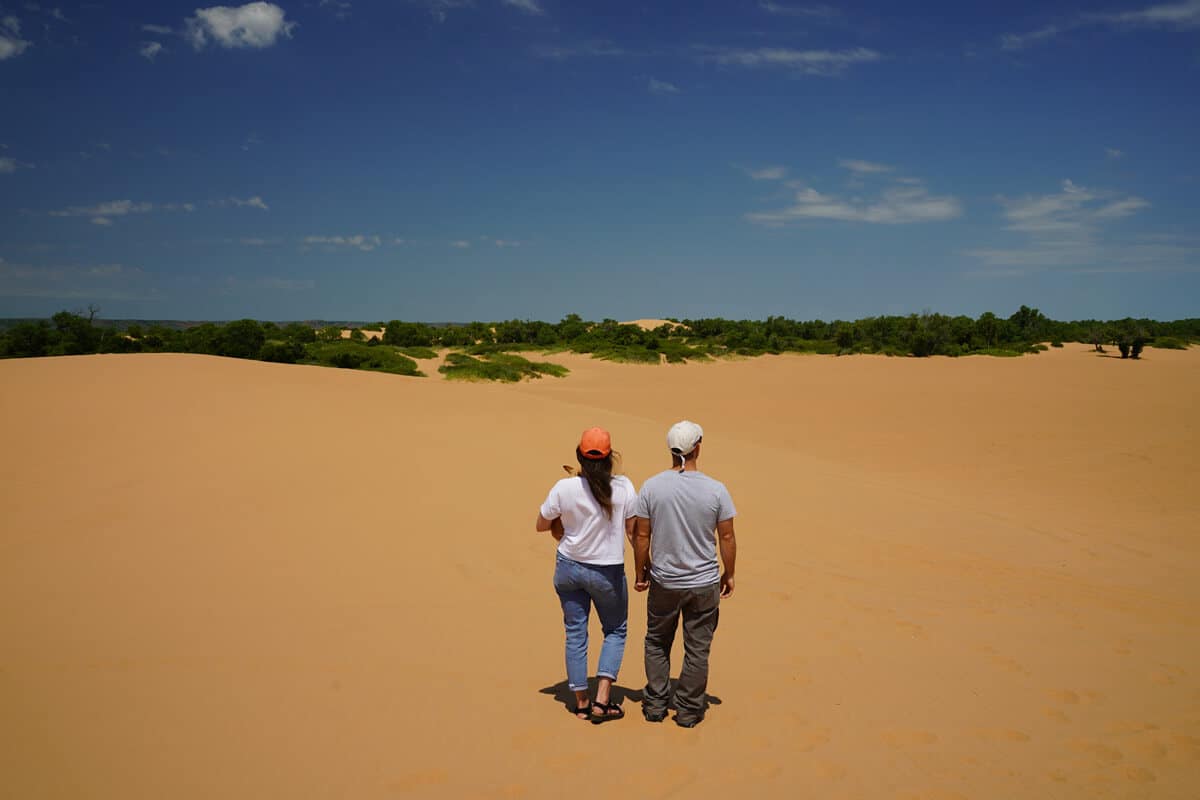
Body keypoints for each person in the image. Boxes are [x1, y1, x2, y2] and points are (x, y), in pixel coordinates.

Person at [632, 420, 737, 728]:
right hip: (703, 583)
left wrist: (641, 571)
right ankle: (689, 710)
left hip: (664, 581)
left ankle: (655, 704)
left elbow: (641, 535)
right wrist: (729, 573)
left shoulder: (652, 486)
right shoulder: (716, 489)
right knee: (697, 647)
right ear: (698, 447)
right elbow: (727, 537)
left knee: (657, 641)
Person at [536, 427, 638, 722]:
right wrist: (644, 567)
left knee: (575, 633)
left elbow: (542, 524)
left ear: (579, 455)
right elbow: (634, 532)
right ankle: (602, 700)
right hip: (607, 572)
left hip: (569, 567)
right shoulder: (624, 487)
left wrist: (566, 520)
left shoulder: (564, 487)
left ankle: (581, 702)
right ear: (610, 458)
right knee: (616, 630)